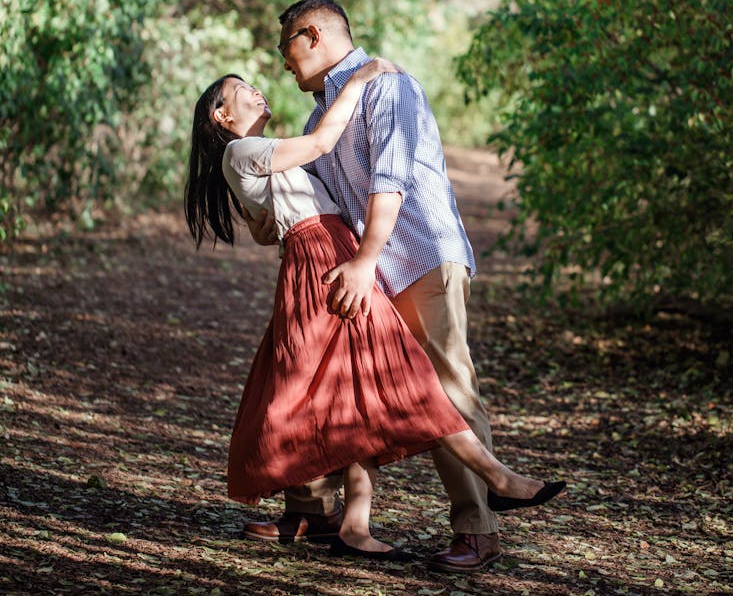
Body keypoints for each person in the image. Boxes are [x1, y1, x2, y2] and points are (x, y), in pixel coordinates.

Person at [184, 59, 566, 562]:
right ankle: (495, 478)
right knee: (394, 379)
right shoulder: (243, 150)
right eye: (242, 89)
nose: (258, 90)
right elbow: (321, 144)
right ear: (219, 113)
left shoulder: (265, 155)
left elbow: (276, 211)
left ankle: (357, 523)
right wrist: (360, 80)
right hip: (324, 261)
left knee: (369, 386)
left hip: (337, 255)